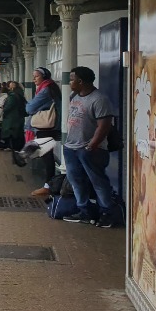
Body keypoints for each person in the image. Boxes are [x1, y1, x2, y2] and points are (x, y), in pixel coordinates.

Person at [60, 65, 116, 227]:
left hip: (90, 149)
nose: (70, 82)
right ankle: (85, 211)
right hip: (71, 147)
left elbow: (104, 125)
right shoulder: (74, 96)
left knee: (98, 181)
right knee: (76, 181)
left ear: (81, 81)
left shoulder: (99, 99)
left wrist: (92, 145)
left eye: (72, 79)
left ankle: (106, 213)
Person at [25, 67, 62, 196]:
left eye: (36, 76)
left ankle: (48, 186)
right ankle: (49, 185)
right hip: (50, 127)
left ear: (44, 77)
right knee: (46, 155)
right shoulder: (51, 87)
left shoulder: (45, 90)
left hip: (46, 128)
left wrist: (35, 107)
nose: (34, 78)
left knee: (47, 157)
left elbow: (29, 108)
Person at [0, 81, 26, 151]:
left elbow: (8, 107)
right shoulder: (21, 95)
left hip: (12, 118)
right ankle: (18, 147)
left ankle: (12, 147)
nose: (9, 88)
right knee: (18, 133)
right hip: (19, 117)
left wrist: (3, 108)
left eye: (10, 87)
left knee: (11, 133)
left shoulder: (12, 96)